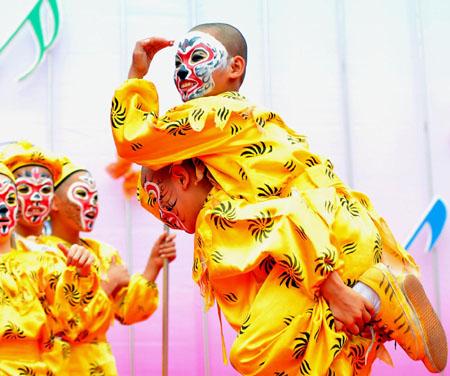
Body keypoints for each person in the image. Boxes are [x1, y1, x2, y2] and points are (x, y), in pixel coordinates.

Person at [109, 23, 447, 375]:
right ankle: (373, 304)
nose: (181, 71)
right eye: (176, 65)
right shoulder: (251, 128)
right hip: (344, 232)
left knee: (253, 353)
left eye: (195, 58)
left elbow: (136, 139)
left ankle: (372, 294)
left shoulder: (211, 123)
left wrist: (137, 75)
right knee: (323, 352)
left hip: (324, 242)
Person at [32, 157, 177, 375]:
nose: (91, 203)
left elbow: (128, 314)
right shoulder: (37, 254)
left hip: (102, 366)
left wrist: (152, 267)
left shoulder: (103, 254)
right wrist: (108, 283)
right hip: (60, 367)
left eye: (95, 197)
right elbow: (68, 327)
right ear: (53, 202)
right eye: (81, 194)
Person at [0, 161, 98, 375]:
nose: (3, 208)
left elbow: (67, 317)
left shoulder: (42, 259)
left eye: (9, 199)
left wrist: (80, 273)